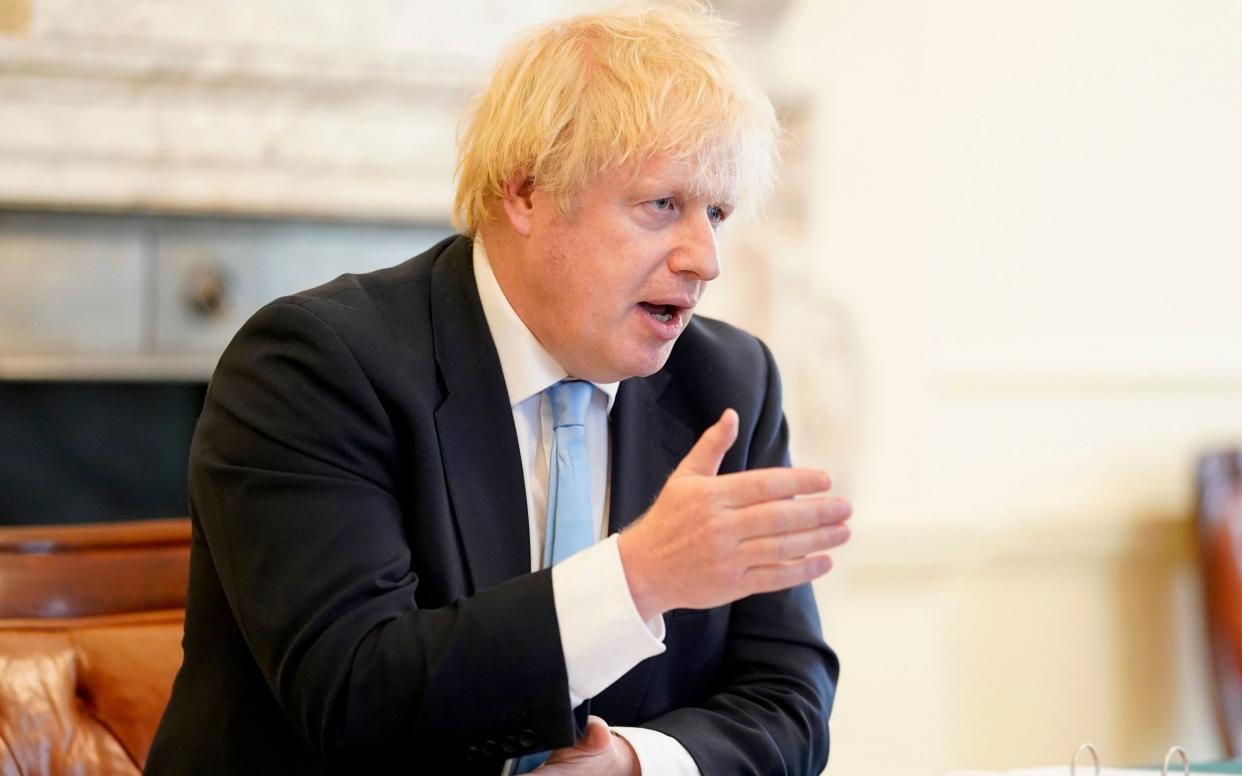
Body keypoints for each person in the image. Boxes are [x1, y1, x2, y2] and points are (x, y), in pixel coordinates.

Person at [147, 3, 853, 774]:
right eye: (663, 206)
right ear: (526, 192)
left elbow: (789, 697)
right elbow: (354, 696)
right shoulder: (316, 366)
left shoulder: (728, 384)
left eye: (716, 212)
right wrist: (638, 576)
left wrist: (636, 763)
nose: (705, 259)